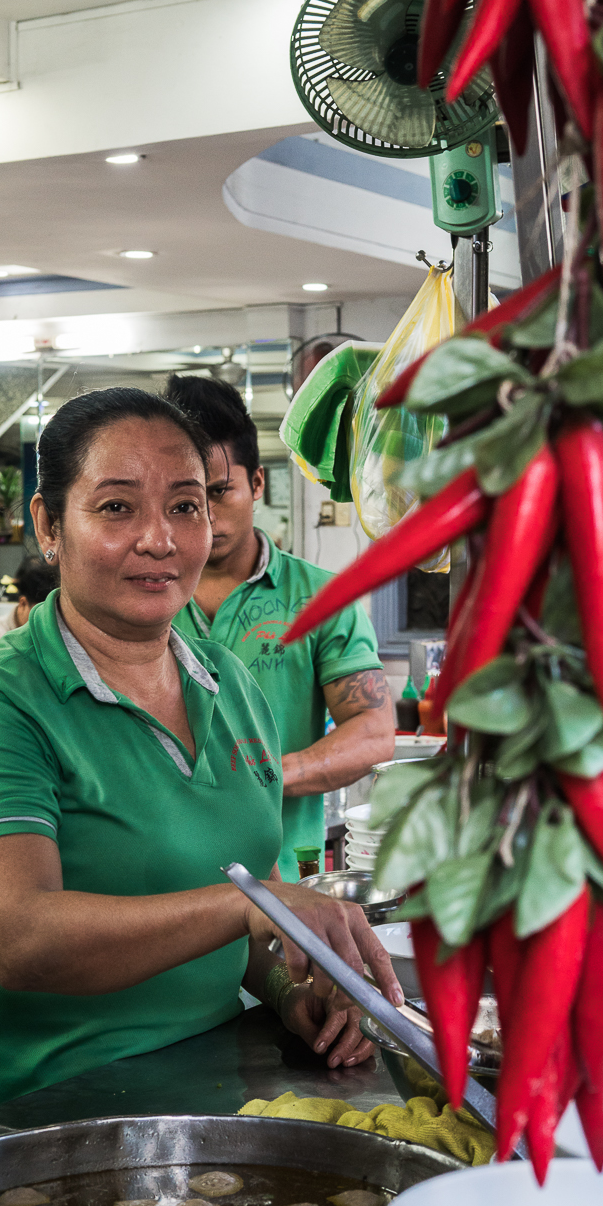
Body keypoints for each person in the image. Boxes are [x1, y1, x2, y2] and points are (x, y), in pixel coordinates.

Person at [0, 386, 402, 1131]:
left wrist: (286, 989)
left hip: (192, 1097)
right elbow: (21, 939)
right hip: (23, 1123)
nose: (160, 539)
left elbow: (221, 918)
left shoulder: (230, 685)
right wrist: (256, 905)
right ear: (48, 524)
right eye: (116, 507)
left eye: (186, 504)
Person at [165, 374, 394, 879]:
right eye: (184, 501)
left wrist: (260, 778)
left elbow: (373, 733)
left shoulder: (321, 597)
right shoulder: (141, 597)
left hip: (286, 887)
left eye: (220, 492)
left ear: (258, 483)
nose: (204, 516)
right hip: (162, 890)